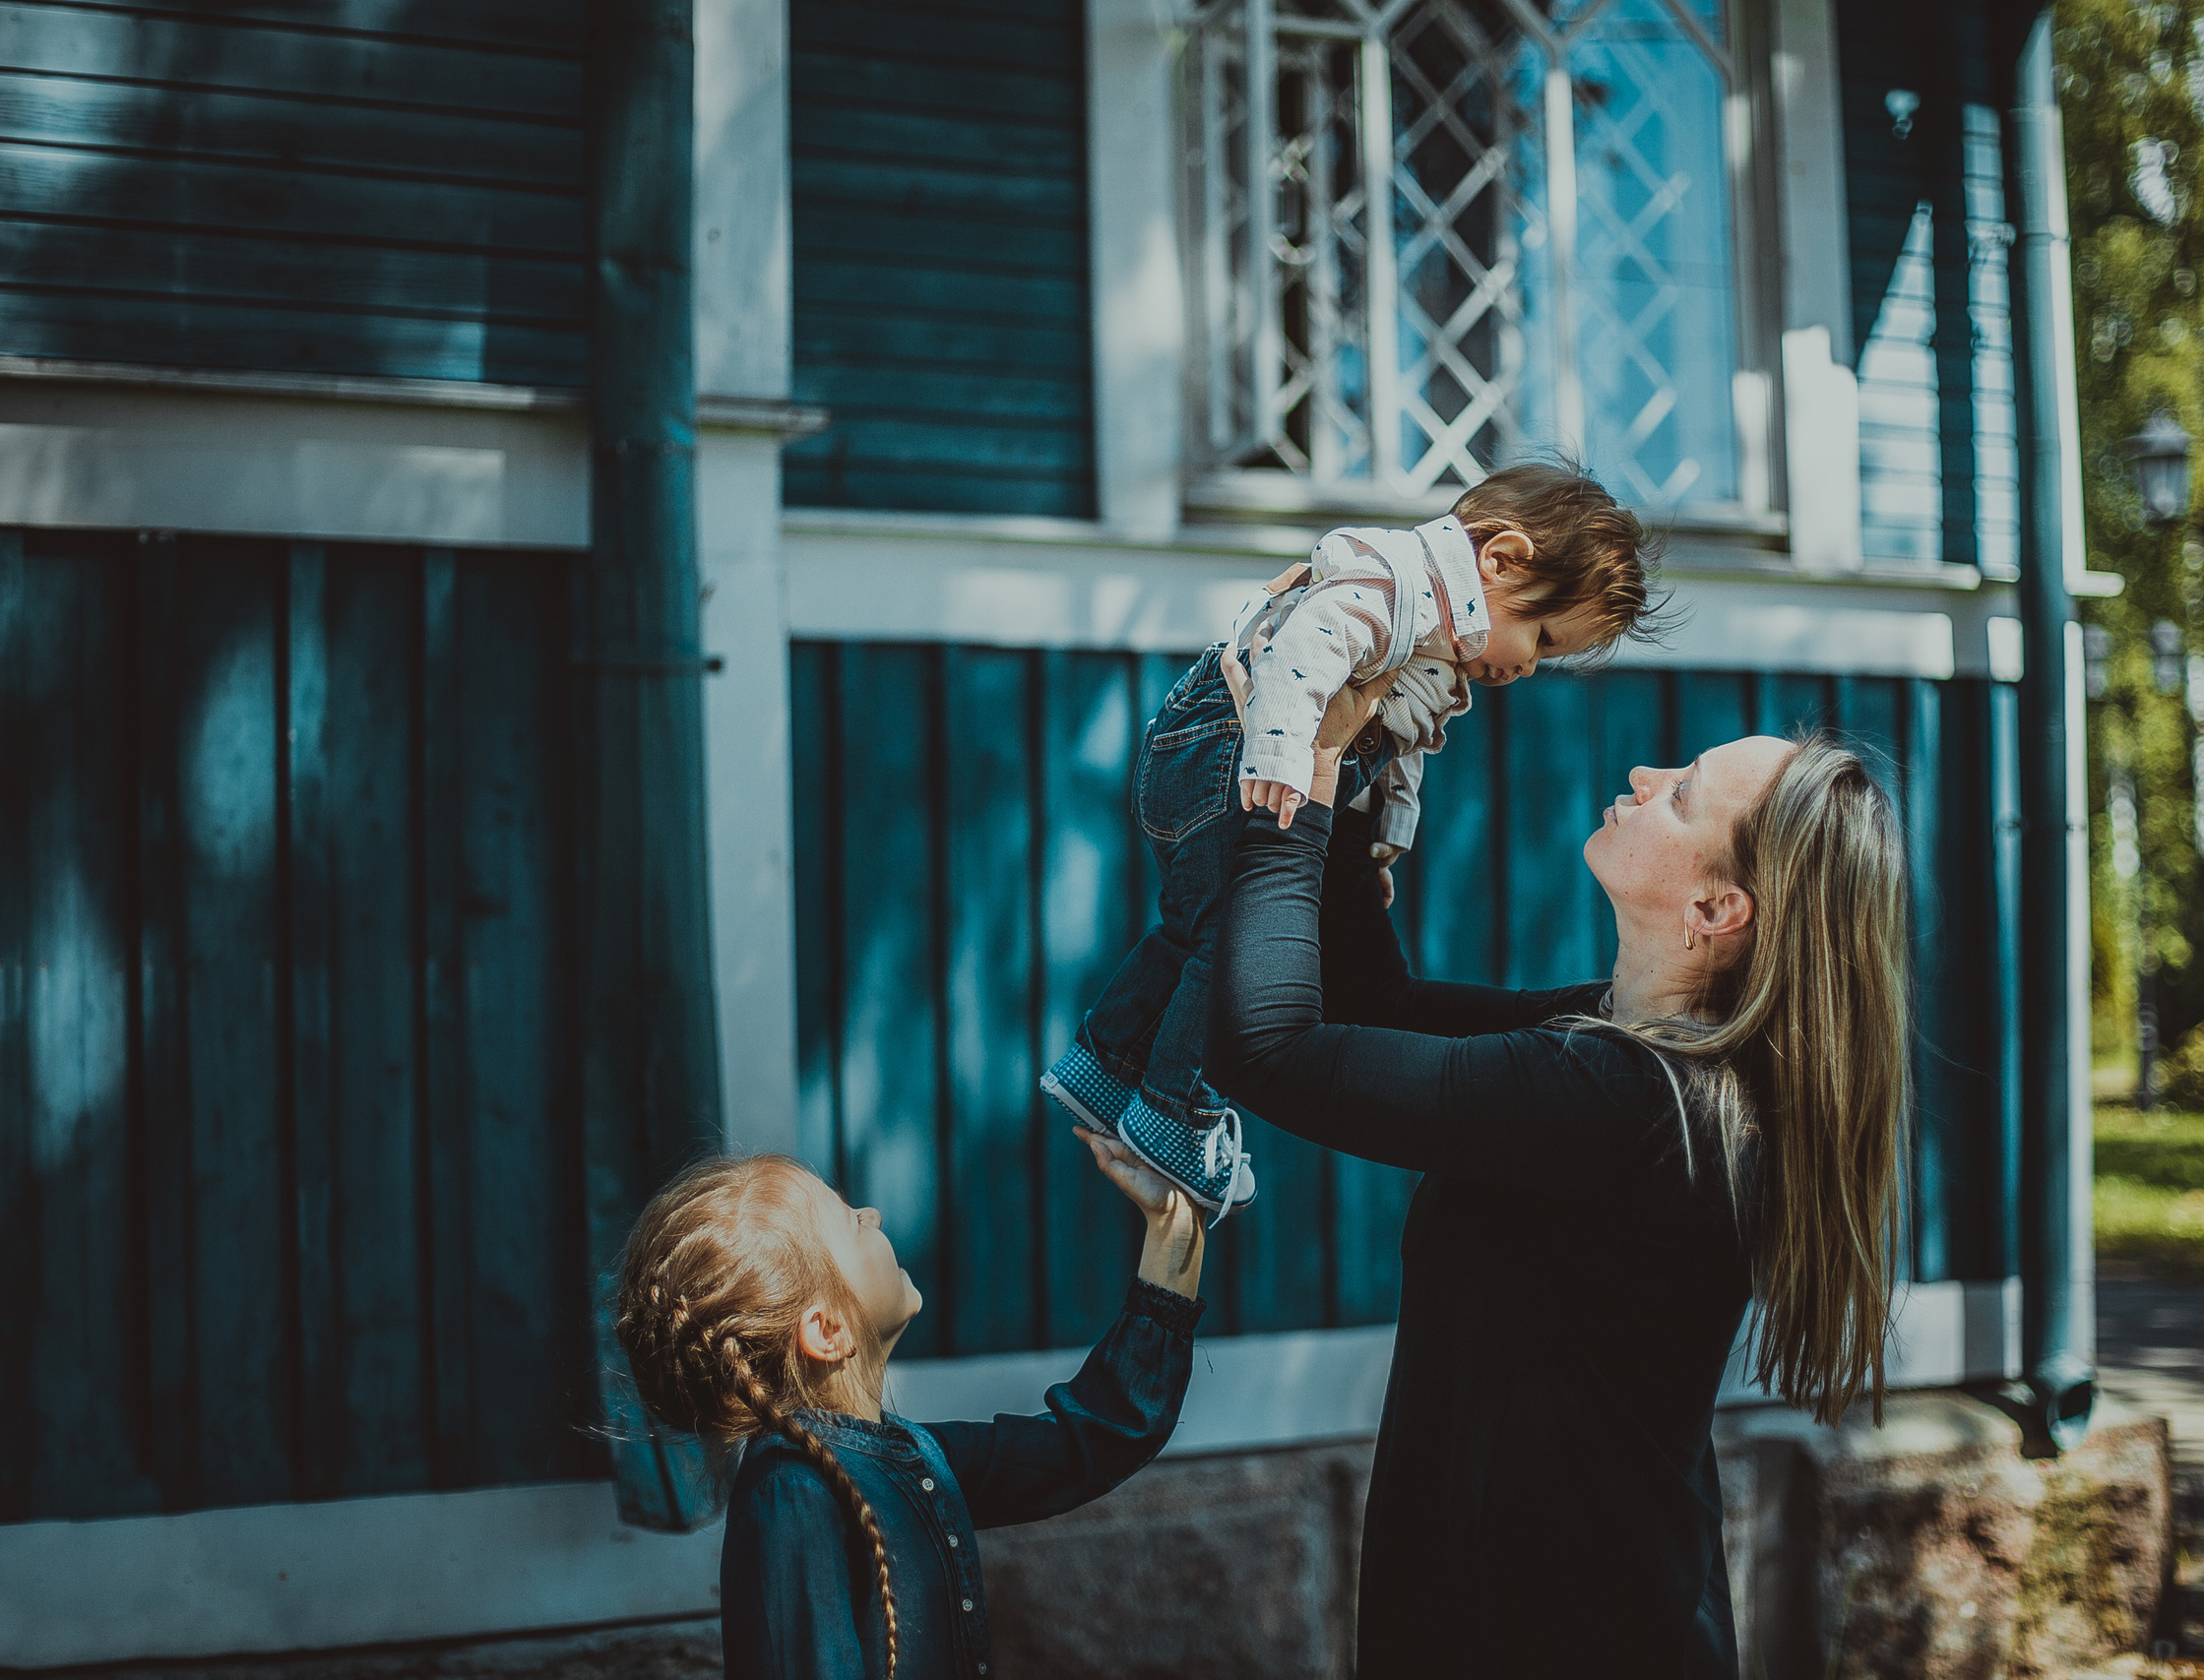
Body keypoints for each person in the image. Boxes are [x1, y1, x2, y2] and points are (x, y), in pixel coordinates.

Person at [1205, 658, 1911, 1678]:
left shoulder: (1632, 1100)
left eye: (1680, 794)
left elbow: (1265, 1049)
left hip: (1566, 1635)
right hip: (1557, 1615)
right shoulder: (1625, 1050)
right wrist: (1361, 779)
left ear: (1717, 909)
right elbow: (1374, 1010)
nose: (1640, 772)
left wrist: (1289, 791)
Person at [1039, 461, 1655, 1221]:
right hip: (1226, 757)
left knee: (1191, 928)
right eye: (1542, 634)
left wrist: (1379, 846)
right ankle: (1173, 1115)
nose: (1530, 664)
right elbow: (1306, 647)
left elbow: (1399, 760)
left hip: (1235, 767)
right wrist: (1278, 759)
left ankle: (1104, 1061)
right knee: (1228, 939)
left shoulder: (1438, 654)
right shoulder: (1399, 583)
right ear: (1499, 560)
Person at [611, 1132, 1204, 1680]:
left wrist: (1176, 1233)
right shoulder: (791, 1494)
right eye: (849, 1219)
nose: (873, 1214)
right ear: (827, 1330)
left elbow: (1094, 1437)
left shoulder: (910, 1457)